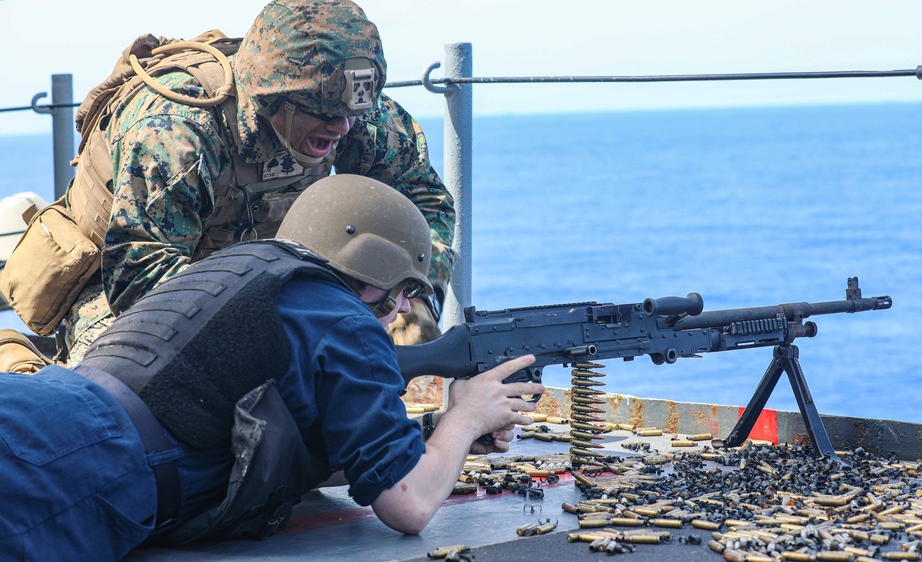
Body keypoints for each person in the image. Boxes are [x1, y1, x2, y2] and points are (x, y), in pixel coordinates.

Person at [0, 174, 540, 560]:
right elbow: (409, 506)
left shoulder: (243, 268)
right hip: (78, 470)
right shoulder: (345, 319)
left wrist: (431, 436)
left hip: (41, 405)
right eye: (403, 291)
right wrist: (466, 417)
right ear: (373, 266)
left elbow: (268, 445)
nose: (401, 310)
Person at [0, 0, 454, 369]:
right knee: (123, 402)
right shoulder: (176, 131)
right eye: (324, 115)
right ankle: (18, 367)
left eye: (352, 115)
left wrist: (410, 293)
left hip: (267, 276)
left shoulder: (343, 105)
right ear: (273, 98)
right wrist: (293, 331)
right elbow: (140, 275)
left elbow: (423, 199)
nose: (343, 129)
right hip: (129, 284)